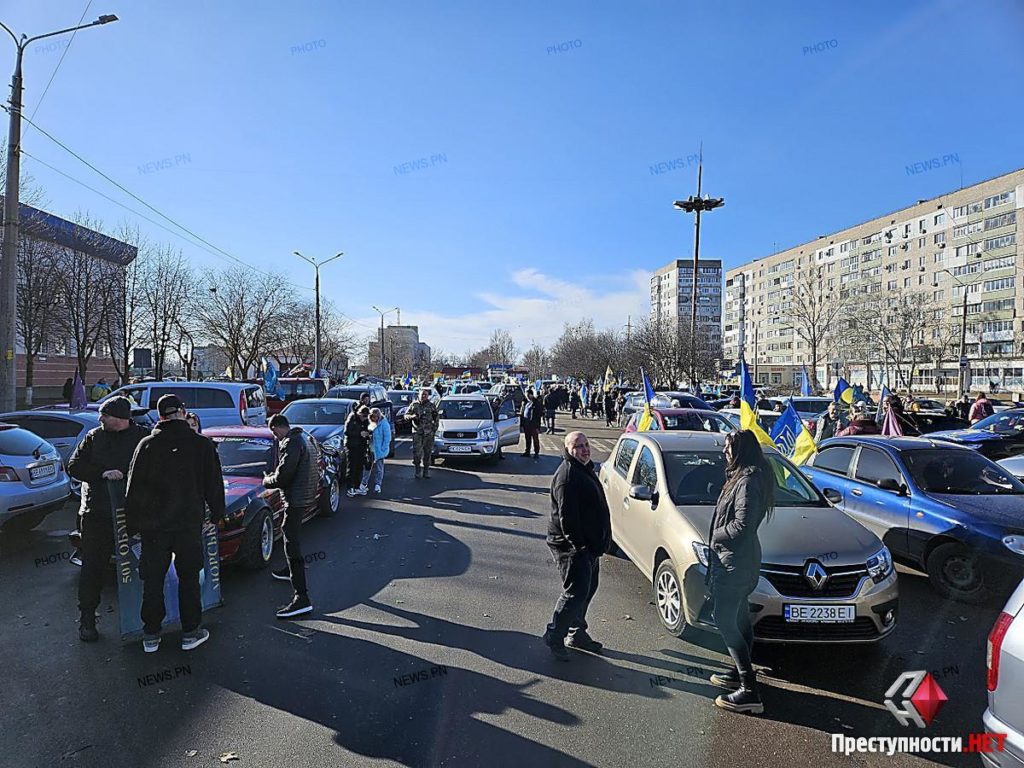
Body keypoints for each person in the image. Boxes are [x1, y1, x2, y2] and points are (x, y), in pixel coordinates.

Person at [125, 395, 225, 652]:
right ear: (182, 412)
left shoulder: (146, 445)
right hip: (187, 523)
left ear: (160, 416)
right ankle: (190, 631)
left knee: (153, 579)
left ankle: (151, 635)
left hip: (153, 527)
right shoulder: (202, 445)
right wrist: (216, 516)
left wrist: (132, 525)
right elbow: (214, 485)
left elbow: (133, 488)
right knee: (189, 577)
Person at [67, 396, 149, 642]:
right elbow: (74, 466)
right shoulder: (94, 437)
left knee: (144, 567)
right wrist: (101, 473)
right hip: (97, 515)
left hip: (136, 515)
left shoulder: (143, 438)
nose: (100, 419)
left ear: (122, 418)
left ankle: (148, 620)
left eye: (105, 415)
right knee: (93, 568)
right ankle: (87, 620)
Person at [708, 430, 774, 714]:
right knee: (739, 616)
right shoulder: (745, 476)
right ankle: (738, 673)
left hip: (735, 562)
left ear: (740, 450)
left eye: (728, 447)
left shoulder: (747, 481)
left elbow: (742, 527)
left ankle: (749, 691)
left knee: (723, 618)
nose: (724, 452)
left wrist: (714, 536)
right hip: (738, 560)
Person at [542, 431, 611, 661]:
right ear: (568, 450)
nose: (584, 449)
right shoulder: (568, 476)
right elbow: (567, 519)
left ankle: (576, 633)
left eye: (586, 444)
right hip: (571, 547)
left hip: (588, 547)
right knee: (575, 592)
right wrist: (580, 547)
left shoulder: (584, 468)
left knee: (588, 589)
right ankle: (555, 635)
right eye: (578, 446)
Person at [263, 414, 319, 618]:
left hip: (296, 498)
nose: (274, 436)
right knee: (291, 537)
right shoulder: (305, 437)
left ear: (278, 427)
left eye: (273, 432)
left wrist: (267, 481)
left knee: (290, 540)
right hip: (305, 495)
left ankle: (301, 597)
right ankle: (290, 570)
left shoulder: (291, 443)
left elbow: (284, 475)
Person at [405, 388, 439, 478]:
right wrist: (412, 416)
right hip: (418, 433)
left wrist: (434, 429)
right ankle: (417, 470)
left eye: (425, 395)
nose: (423, 396)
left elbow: (436, 418)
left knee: (428, 453)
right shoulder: (414, 405)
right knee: (417, 453)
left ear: (428, 396)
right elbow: (406, 415)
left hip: (429, 433)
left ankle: (426, 471)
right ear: (418, 395)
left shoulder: (431, 406)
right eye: (422, 394)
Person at [362, 407, 392, 492]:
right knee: (367, 467)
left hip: (379, 450)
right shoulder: (371, 424)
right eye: (371, 417)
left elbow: (387, 438)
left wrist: (383, 449)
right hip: (371, 448)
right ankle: (364, 483)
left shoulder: (384, 424)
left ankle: (378, 484)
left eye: (374, 417)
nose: (373, 418)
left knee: (379, 468)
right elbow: (369, 434)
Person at [345, 405, 371, 495]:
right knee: (352, 466)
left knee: (359, 467)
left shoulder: (366, 421)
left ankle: (357, 486)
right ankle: (349, 487)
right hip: (352, 446)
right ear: (359, 414)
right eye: (364, 416)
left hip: (362, 446)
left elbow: (369, 430)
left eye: (366, 416)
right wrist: (359, 433)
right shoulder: (352, 418)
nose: (365, 418)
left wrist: (368, 434)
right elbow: (347, 431)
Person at [521, 389, 542, 459]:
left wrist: (538, 427)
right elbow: (523, 413)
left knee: (535, 439)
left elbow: (538, 415)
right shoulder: (526, 403)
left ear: (531, 394)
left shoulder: (536, 403)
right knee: (527, 438)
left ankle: (536, 453)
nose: (526, 396)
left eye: (527, 395)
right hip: (526, 424)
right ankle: (527, 451)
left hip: (533, 424)